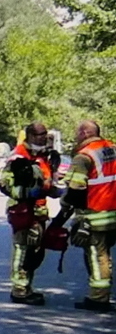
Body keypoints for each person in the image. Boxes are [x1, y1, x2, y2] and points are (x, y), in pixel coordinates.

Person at [0, 122, 61, 306]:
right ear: (31, 136)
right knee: (22, 249)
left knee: (35, 251)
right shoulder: (19, 156)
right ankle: (19, 290)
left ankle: (27, 287)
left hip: (39, 210)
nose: (44, 138)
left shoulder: (42, 155)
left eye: (45, 134)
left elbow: (44, 181)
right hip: (23, 211)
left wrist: (53, 189)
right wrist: (27, 193)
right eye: (41, 134)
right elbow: (4, 184)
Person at [57, 120, 116, 311]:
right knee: (105, 255)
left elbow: (76, 189)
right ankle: (103, 294)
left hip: (95, 215)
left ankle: (98, 299)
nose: (76, 136)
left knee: (98, 257)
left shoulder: (84, 156)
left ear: (84, 133)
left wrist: (65, 206)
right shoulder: (112, 148)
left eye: (77, 133)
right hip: (113, 214)